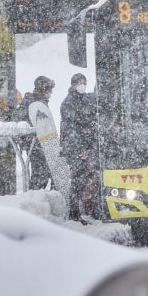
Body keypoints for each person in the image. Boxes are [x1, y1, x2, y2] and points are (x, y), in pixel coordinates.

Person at [18, 76, 72, 209]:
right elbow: (24, 125)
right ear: (43, 89)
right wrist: (31, 142)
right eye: (49, 89)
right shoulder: (31, 103)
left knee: (48, 173)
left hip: (42, 145)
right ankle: (34, 205)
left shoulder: (39, 102)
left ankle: (48, 205)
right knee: (40, 175)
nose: (51, 93)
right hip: (37, 146)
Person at [60, 73, 99, 222]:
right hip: (75, 148)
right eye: (78, 83)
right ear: (73, 85)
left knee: (90, 177)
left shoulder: (87, 99)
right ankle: (74, 213)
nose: (81, 85)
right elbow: (69, 128)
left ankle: (91, 210)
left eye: (84, 82)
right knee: (78, 178)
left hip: (88, 147)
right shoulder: (68, 103)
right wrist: (80, 147)